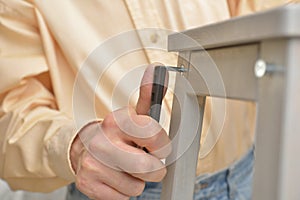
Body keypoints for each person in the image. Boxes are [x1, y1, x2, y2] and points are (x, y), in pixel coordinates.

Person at [0, 0, 296, 200]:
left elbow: (275, 18)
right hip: (121, 193)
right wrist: (76, 145)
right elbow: (10, 111)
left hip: (247, 177)